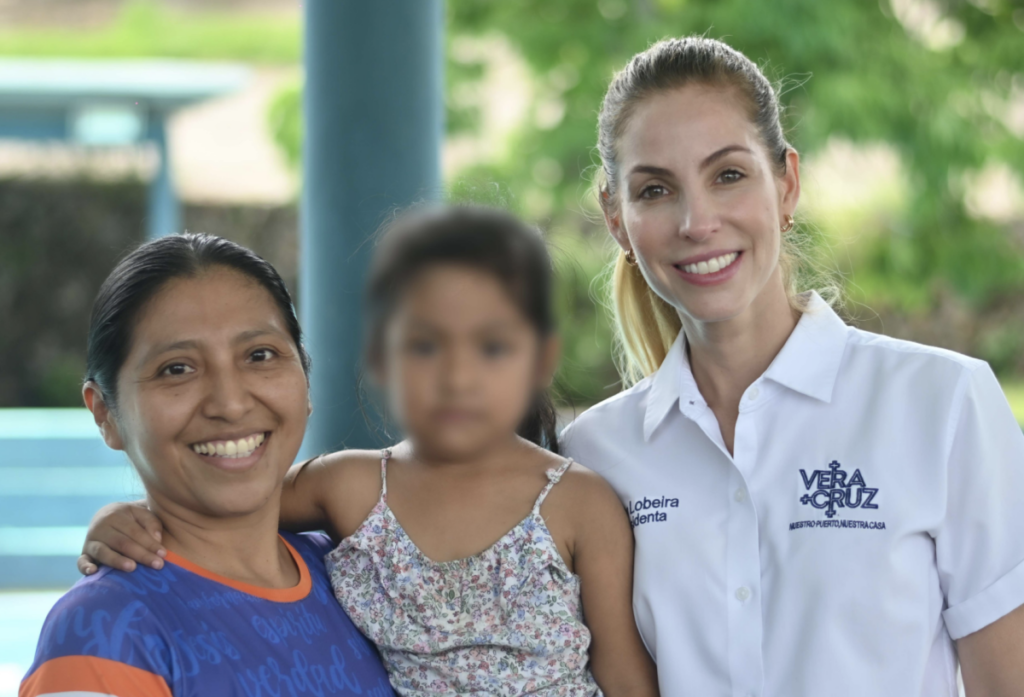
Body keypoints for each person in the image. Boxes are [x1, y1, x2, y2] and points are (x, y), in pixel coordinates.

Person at [558, 36, 1024, 696]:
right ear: (616, 219)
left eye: (728, 174)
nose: (697, 221)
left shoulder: (944, 403)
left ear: (787, 185)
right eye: (656, 189)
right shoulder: (592, 456)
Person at [76, 206, 659, 696]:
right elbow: (221, 496)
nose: (458, 375)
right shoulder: (349, 488)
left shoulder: (579, 502)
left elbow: (628, 680)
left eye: (492, 345)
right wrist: (123, 519)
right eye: (426, 345)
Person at [21, 234, 395, 697]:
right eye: (177, 368)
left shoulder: (364, 577)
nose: (231, 403)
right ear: (105, 414)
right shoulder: (107, 629)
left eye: (259, 356)